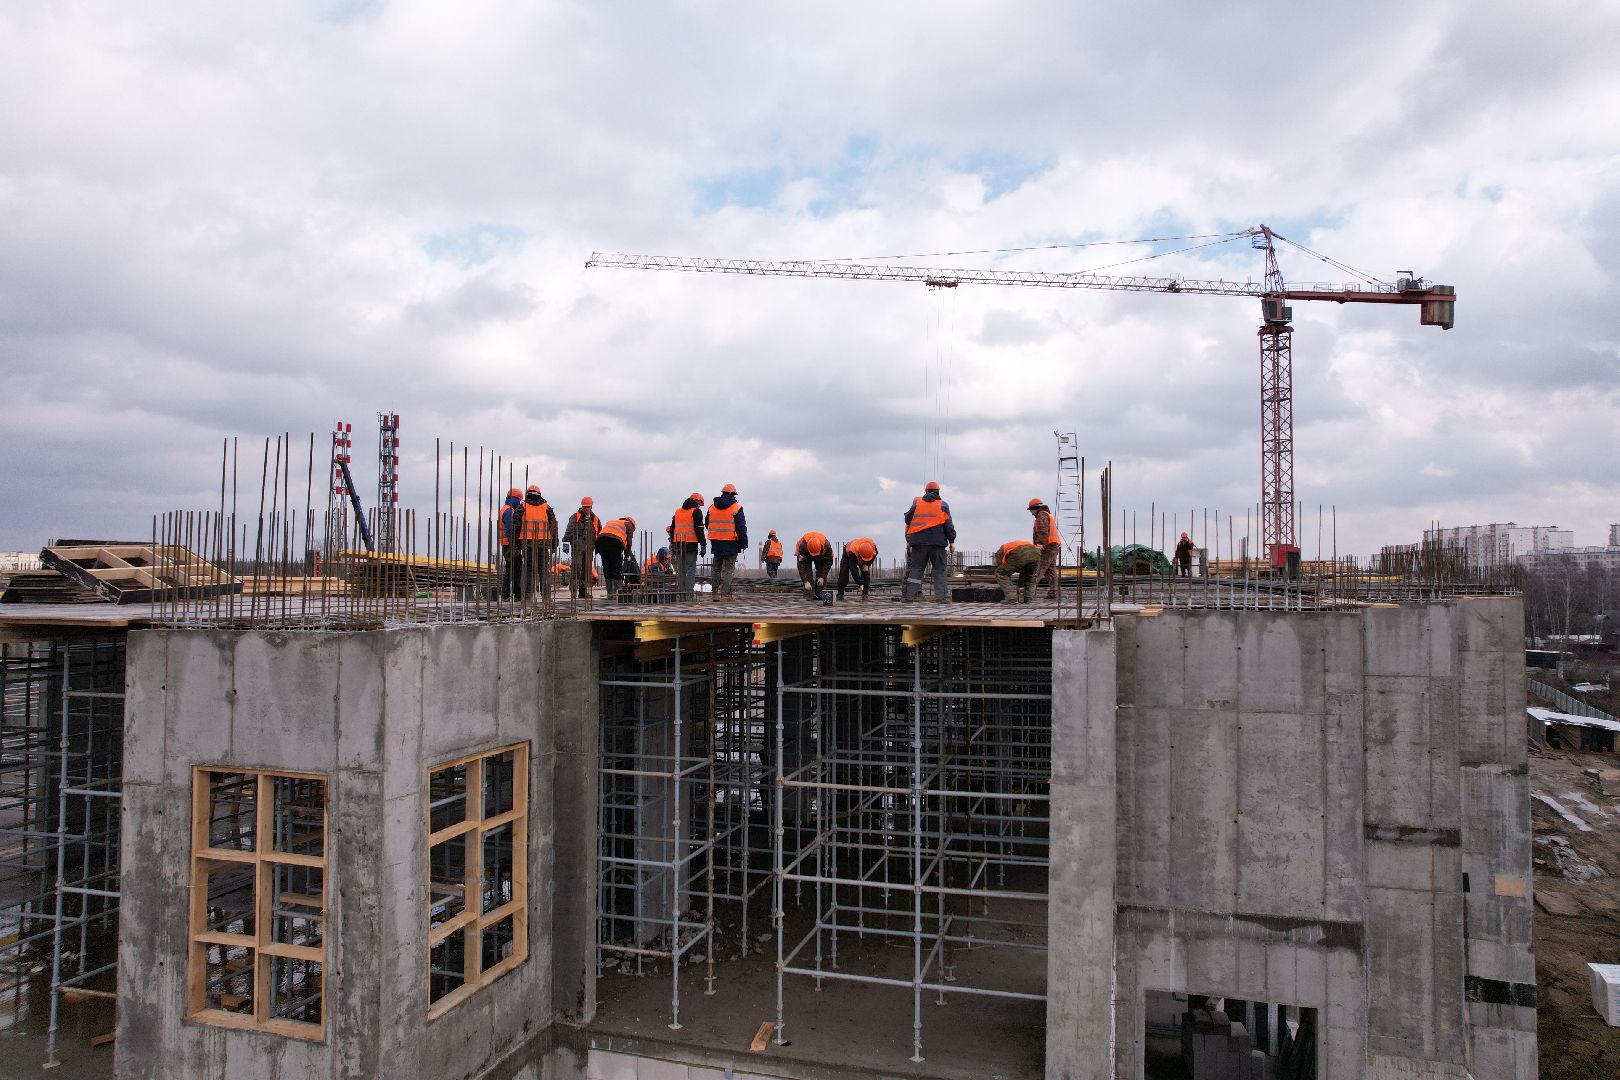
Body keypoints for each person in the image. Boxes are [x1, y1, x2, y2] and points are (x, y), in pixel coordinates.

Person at [901, 481, 956, 602]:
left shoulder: (917, 503)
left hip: (918, 543)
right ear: (938, 492)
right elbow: (949, 526)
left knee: (916, 570)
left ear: (925, 491)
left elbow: (907, 518)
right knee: (939, 571)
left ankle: (909, 597)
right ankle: (941, 598)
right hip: (937, 544)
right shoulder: (943, 505)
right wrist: (952, 541)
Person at [706, 484, 748, 601]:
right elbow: (741, 527)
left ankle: (714, 593)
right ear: (733, 494)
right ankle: (725, 593)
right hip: (731, 542)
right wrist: (744, 543)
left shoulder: (711, 508)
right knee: (729, 569)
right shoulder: (737, 508)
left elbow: (707, 524)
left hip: (716, 542)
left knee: (716, 568)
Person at [517, 485, 558, 600]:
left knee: (529, 570)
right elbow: (553, 527)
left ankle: (528, 596)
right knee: (543, 570)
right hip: (542, 545)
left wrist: (515, 545)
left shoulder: (522, 507)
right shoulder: (547, 508)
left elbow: (515, 527)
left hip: (528, 544)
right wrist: (554, 544)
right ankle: (546, 596)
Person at [667, 493, 707, 595]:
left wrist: (672, 542)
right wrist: (703, 544)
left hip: (678, 545)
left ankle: (681, 591)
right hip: (691, 545)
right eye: (699, 504)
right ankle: (689, 592)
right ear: (696, 502)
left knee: (681, 570)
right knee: (690, 569)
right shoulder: (696, 511)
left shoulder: (678, 511)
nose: (699, 506)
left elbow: (672, 529)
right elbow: (699, 530)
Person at [565, 496, 602, 599]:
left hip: (589, 547)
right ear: (582, 506)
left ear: (591, 507)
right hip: (578, 546)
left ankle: (582, 592)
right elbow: (569, 529)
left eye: (588, 507)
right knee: (577, 567)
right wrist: (565, 542)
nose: (586, 509)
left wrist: (598, 545)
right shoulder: (575, 517)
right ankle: (573, 591)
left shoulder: (595, 519)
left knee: (586, 570)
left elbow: (599, 533)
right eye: (585, 507)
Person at [1028, 498, 1062, 600]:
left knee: (1037, 569)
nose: (1031, 513)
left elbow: (1043, 530)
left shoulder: (1041, 515)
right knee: (1050, 571)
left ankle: (1029, 593)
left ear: (1035, 508)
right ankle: (1053, 593)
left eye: (1031, 510)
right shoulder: (1046, 515)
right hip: (1053, 546)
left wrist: (1040, 544)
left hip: (1047, 547)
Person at [595, 516, 637, 597]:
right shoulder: (628, 524)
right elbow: (629, 542)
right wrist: (627, 555)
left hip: (600, 542)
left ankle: (610, 593)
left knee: (607, 567)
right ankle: (617, 593)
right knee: (616, 568)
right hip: (614, 542)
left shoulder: (612, 521)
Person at [497, 486, 523, 599]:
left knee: (510, 569)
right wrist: (515, 544)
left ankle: (506, 594)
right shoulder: (509, 511)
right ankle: (515, 594)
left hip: (506, 544)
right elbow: (509, 529)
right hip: (510, 544)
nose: (520, 503)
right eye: (519, 500)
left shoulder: (504, 508)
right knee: (516, 569)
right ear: (515, 499)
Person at [796, 531, 834, 601]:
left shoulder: (826, 546)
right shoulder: (803, 546)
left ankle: (820, 595)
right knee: (808, 574)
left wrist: (822, 577)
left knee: (821, 572)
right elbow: (801, 565)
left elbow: (828, 563)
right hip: (806, 555)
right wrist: (805, 581)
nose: (814, 556)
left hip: (821, 556)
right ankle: (809, 596)